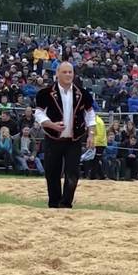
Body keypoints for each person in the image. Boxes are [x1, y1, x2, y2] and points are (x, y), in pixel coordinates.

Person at [34, 62, 95, 208]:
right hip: (53, 139)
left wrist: (91, 134)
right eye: (65, 72)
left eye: (70, 72)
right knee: (52, 173)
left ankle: (66, 204)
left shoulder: (82, 94)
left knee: (72, 173)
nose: (68, 75)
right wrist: (51, 125)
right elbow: (39, 113)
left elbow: (90, 114)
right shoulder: (46, 93)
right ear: (58, 74)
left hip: (74, 140)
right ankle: (54, 203)